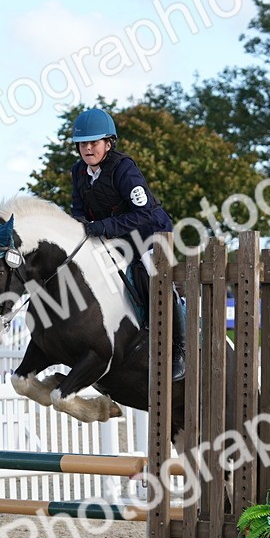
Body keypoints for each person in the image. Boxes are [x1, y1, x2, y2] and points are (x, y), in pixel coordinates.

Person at [68, 107, 183, 378]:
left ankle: (180, 348)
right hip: (115, 237)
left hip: (150, 233)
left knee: (154, 277)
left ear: (108, 143)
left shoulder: (124, 168)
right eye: (82, 144)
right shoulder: (78, 172)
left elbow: (143, 213)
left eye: (94, 143)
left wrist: (102, 227)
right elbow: (78, 211)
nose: (87, 149)